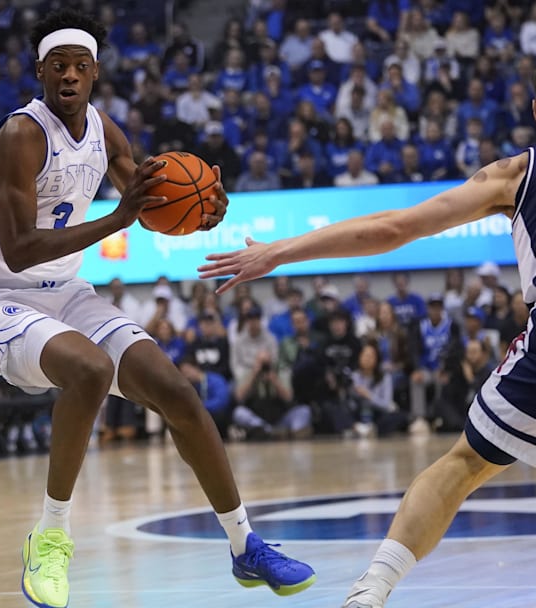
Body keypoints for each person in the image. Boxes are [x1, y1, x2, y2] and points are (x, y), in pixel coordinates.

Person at [0, 10, 315, 608]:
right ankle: (49, 537)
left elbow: (150, 200)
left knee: (175, 390)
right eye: (58, 66)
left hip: (67, 296)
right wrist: (115, 222)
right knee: (91, 370)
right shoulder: (21, 134)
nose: (69, 75)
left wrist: (204, 209)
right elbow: (17, 252)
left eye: (80, 66)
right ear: (39, 70)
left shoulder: (105, 131)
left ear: (95, 72)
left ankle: (244, 544)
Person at [198, 91, 536, 607]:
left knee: (464, 464)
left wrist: (280, 251)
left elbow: (394, 228)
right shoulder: (513, 176)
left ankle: (370, 592)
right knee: (464, 462)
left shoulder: (514, 175)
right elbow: (391, 228)